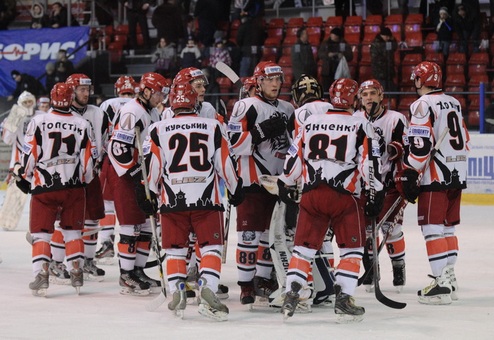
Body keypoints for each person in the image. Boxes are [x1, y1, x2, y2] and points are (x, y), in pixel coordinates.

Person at [278, 78, 384, 323]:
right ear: (354, 99)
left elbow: (294, 158)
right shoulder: (361, 124)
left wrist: (286, 181)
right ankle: (344, 299)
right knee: (351, 250)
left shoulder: (310, 122)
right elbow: (370, 163)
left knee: (303, 249)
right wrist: (374, 192)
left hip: (312, 195)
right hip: (344, 198)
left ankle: (291, 293)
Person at [143, 81, 243, 320]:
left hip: (172, 201)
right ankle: (207, 288)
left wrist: (148, 193)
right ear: (194, 103)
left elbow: (153, 168)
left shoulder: (158, 129)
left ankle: (177, 290)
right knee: (210, 247)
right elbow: (225, 163)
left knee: (175, 250)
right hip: (206, 199)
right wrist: (235, 188)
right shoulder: (213, 126)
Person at [396, 61, 470, 305]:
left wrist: (411, 171)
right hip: (457, 173)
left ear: (420, 79)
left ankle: (439, 284)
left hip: (435, 175)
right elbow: (465, 139)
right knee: (448, 228)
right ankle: (449, 279)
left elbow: (420, 145)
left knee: (432, 228)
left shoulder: (422, 104)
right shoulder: (454, 102)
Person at [14, 82, 95, 296]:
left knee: (41, 234)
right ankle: (76, 270)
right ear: (71, 98)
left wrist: (25, 175)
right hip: (73, 187)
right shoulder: (82, 123)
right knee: (72, 232)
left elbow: (30, 154)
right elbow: (88, 162)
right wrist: (83, 180)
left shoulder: (39, 121)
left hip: (44, 186)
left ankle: (42, 274)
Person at [227, 61, 294, 305]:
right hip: (251, 181)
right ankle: (245, 285)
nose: (276, 83)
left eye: (279, 79)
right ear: (259, 81)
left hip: (279, 182)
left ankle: (263, 280)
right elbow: (233, 143)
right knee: (248, 235)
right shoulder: (246, 106)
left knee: (270, 235)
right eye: (270, 79)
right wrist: (261, 132)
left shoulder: (288, 108)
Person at [107, 72, 168, 296]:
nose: (161, 97)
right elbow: (118, 149)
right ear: (147, 91)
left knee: (144, 225)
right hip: (127, 176)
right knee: (130, 225)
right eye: (158, 92)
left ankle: (139, 270)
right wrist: (136, 174)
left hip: (144, 175)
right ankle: (126, 274)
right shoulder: (132, 111)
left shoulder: (152, 111)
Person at [353, 79, 409, 292]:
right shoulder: (355, 119)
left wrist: (394, 148)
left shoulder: (396, 119)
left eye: (372, 93)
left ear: (381, 96)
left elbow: (404, 145)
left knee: (391, 230)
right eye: (364, 94)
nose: (368, 97)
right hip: (365, 184)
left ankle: (398, 267)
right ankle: (371, 270)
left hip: (389, 183)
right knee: (368, 231)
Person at [64, 74, 108, 281]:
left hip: (91, 175)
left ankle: (88, 260)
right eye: (81, 89)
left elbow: (107, 140)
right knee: (63, 220)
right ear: (71, 91)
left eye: (87, 89)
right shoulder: (62, 113)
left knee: (92, 218)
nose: (86, 93)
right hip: (66, 177)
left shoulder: (98, 113)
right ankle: (57, 262)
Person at [95, 75, 138, 264]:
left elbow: (101, 132)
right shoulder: (139, 105)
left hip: (112, 160)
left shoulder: (108, 104)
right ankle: (142, 242)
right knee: (136, 204)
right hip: (136, 160)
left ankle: (106, 242)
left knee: (108, 204)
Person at [0, 92, 37, 231]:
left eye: (30, 102)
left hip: (38, 162)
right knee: (15, 195)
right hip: (18, 164)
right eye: (25, 102)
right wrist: (14, 121)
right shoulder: (14, 117)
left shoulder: (41, 116)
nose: (28, 105)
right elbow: (7, 140)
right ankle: (7, 221)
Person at [317, 27, 353, 96]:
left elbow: (350, 56)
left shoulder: (344, 44)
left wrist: (342, 55)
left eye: (333, 35)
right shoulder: (325, 43)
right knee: (326, 91)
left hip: (339, 72)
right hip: (327, 72)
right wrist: (328, 55)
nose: (331, 36)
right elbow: (320, 54)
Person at [370, 27, 398, 94]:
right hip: (380, 72)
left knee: (391, 91)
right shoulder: (375, 44)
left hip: (389, 71)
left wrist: (393, 39)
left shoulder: (389, 42)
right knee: (382, 90)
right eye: (387, 36)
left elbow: (395, 47)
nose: (388, 38)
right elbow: (375, 58)